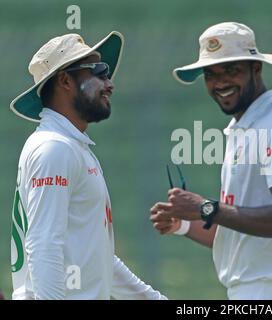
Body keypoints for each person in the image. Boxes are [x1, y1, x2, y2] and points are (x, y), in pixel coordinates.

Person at [150, 22, 272, 300]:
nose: (220, 83)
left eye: (231, 70)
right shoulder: (246, 129)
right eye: (210, 74)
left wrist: (205, 208)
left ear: (257, 68)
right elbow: (239, 235)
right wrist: (182, 224)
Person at [10, 31, 166, 300]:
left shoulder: (72, 148)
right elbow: (44, 245)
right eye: (99, 72)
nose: (110, 84)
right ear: (64, 80)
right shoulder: (55, 148)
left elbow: (99, 259)